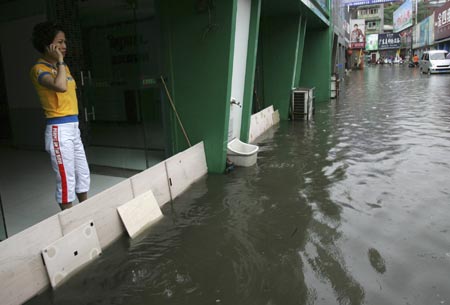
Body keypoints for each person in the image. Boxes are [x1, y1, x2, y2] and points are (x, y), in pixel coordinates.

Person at [30, 21, 90, 210]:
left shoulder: (64, 69)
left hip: (74, 127)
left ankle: (86, 211)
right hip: (59, 129)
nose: (64, 47)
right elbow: (61, 87)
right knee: (66, 177)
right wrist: (61, 62)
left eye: (65, 42)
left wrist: (61, 65)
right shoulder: (39, 69)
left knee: (82, 172)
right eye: (60, 42)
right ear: (48, 45)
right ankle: (70, 220)